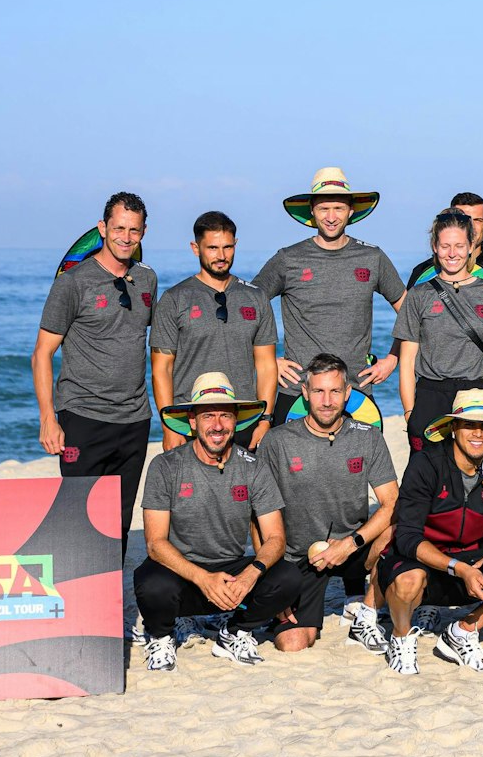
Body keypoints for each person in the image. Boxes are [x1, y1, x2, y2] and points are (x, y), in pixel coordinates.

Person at [381, 390, 483, 675]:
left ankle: (463, 630)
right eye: (470, 424)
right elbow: (408, 536)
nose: (478, 433)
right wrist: (458, 568)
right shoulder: (426, 463)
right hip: (430, 563)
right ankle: (400, 637)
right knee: (407, 579)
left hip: (477, 563)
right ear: (453, 427)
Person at [135, 375, 297, 671]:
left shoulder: (254, 466)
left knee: (288, 577)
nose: (218, 425)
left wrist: (250, 575)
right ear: (193, 421)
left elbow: (275, 538)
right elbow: (155, 544)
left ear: (235, 420)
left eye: (225, 415)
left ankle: (234, 631)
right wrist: (202, 578)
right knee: (151, 584)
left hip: (232, 578)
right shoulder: (166, 466)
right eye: (208, 415)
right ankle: (162, 635)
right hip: (182, 573)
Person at [35, 191, 159, 547]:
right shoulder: (72, 283)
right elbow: (42, 353)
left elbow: (163, 342)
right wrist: (48, 418)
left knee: (118, 522)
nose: (126, 237)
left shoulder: (147, 280)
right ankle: (75, 600)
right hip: (83, 417)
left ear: (143, 233)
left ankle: (105, 603)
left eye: (134, 230)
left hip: (134, 419)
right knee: (77, 518)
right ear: (102, 228)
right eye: (119, 228)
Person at [256, 354, 400, 653]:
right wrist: (269, 577)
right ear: (305, 393)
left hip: (354, 549)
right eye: (318, 391)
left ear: (348, 393)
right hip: (299, 556)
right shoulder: (277, 442)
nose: (327, 400)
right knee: (291, 644)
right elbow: (256, 514)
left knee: (398, 526)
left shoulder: (368, 437)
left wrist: (350, 544)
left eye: (335, 391)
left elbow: (391, 503)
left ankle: (367, 613)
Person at [255, 168, 406, 423]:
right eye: (324, 209)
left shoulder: (373, 257)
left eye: (338, 208)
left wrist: (393, 359)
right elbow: (244, 310)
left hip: (355, 394)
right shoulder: (288, 259)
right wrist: (269, 361)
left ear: (351, 210)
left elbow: (411, 311)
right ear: (312, 211)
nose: (332, 217)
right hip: (297, 393)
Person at [151, 211, 277, 453]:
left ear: (235, 245)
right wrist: (169, 427)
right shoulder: (174, 299)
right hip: (190, 422)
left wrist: (265, 419)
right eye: (212, 248)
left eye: (227, 247)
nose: (221, 256)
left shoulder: (256, 297)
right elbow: (162, 368)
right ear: (195, 248)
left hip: (244, 419)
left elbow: (266, 365)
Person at [392, 210, 483, 450]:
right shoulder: (419, 295)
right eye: (445, 246)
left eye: (459, 246)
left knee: (478, 474)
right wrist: (410, 411)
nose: (452, 254)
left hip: (480, 394)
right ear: (434, 246)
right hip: (432, 393)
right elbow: (407, 361)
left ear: (471, 246)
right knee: (428, 477)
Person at [405, 192, 483, 323]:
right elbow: (408, 327)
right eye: (464, 219)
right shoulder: (422, 272)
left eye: (477, 220)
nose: (471, 227)